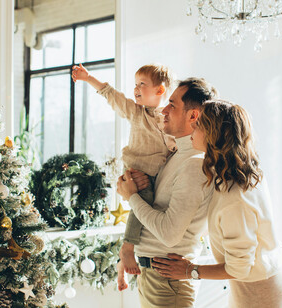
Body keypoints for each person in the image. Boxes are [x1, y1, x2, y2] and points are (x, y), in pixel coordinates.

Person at [150, 100, 282, 308]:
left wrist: (190, 271)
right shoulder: (239, 171)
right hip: (257, 282)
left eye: (198, 125)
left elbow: (240, 268)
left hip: (260, 291)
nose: (192, 127)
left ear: (213, 134)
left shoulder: (234, 198)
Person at [72, 63, 176, 291]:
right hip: (137, 173)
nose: (136, 88)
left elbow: (175, 144)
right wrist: (88, 78)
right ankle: (127, 249)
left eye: (142, 84)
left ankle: (122, 268)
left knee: (148, 220)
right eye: (135, 84)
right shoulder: (136, 112)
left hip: (156, 176)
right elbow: (112, 95)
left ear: (160, 91)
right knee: (143, 204)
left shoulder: (168, 117)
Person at [117, 78, 218, 307]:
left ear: (193, 116)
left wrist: (131, 196)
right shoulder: (175, 155)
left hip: (167, 282)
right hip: (156, 277)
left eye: (172, 104)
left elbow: (169, 235)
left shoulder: (194, 164)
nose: (163, 109)